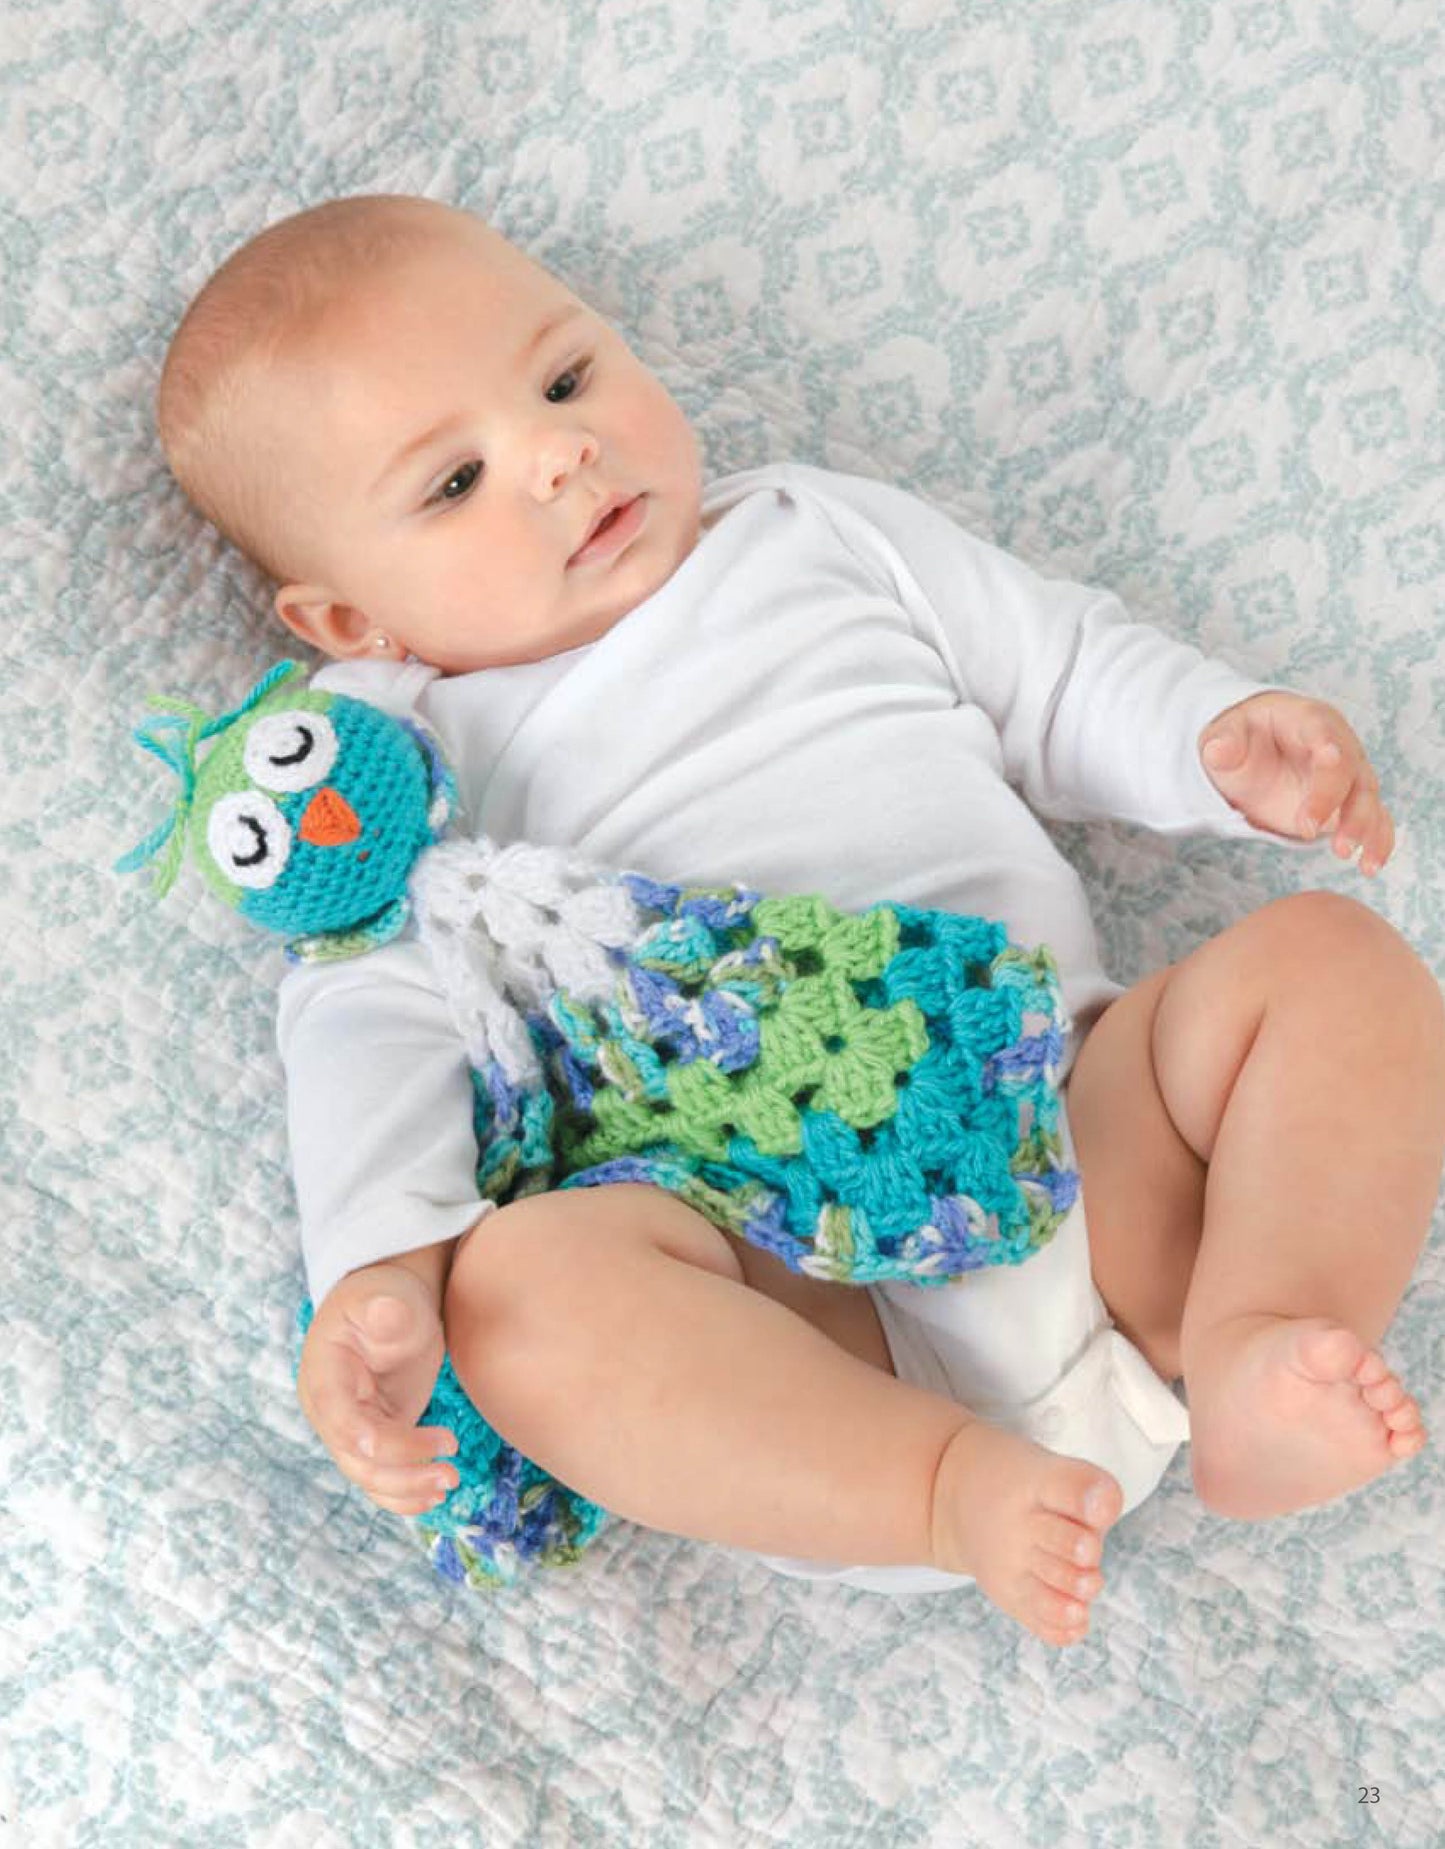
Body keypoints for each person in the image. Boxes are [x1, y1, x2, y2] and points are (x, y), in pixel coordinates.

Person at [155, 193, 1445, 1648]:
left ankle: (1254, 1339)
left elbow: (1052, 668)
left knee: (1334, 964)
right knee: (522, 1291)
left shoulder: (812, 530)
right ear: (346, 623)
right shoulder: (406, 770)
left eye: (566, 378)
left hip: (1082, 1148)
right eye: (453, 481)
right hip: (813, 1313)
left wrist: (1207, 735)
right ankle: (949, 1487)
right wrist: (378, 1268)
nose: (559, 454)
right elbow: (364, 1020)